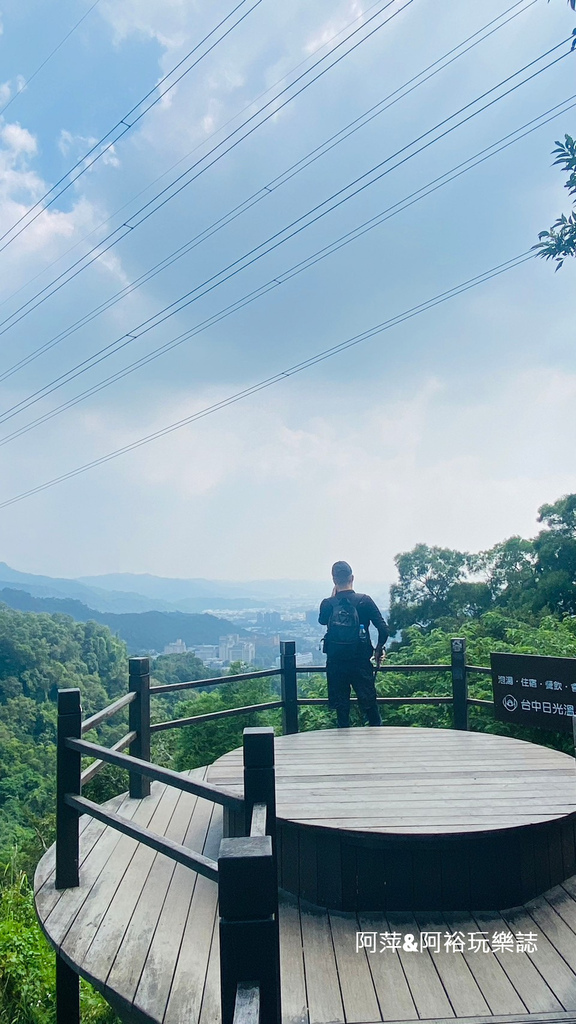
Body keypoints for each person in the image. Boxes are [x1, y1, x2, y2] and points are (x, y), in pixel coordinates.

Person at [318, 561, 389, 729]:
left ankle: (344, 749)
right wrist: (378, 650)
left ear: (334, 580)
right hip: (360, 662)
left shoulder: (328, 604)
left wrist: (333, 596)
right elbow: (384, 630)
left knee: (342, 711)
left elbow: (322, 620)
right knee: (370, 707)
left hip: (336, 663)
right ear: (352, 578)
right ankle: (377, 745)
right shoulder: (364, 601)